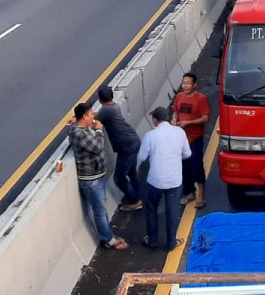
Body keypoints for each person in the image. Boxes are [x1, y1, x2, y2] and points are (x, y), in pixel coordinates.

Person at [68, 103, 127, 250]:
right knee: (99, 211)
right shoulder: (79, 134)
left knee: (102, 208)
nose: (93, 116)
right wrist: (99, 131)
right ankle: (108, 240)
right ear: (84, 117)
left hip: (97, 176)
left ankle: (108, 235)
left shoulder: (83, 127)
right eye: (90, 114)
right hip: (91, 180)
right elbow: (97, 147)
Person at [136, 105, 190, 250]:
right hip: (174, 181)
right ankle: (171, 243)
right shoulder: (180, 132)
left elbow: (141, 157)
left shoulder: (150, 135)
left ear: (155, 120)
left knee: (151, 209)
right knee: (172, 211)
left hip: (155, 180)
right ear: (167, 118)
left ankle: (152, 240)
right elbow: (187, 154)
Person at [96, 84, 142, 211]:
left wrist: (78, 120)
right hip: (132, 142)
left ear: (100, 99)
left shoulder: (105, 110)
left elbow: (94, 121)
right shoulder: (113, 106)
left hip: (126, 148)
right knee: (132, 173)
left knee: (119, 178)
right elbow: (98, 115)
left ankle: (134, 201)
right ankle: (136, 195)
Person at [172, 72, 211, 208]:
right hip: (181, 139)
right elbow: (176, 111)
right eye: (184, 83)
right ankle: (190, 192)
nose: (185, 86)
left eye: (188, 83)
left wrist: (188, 123)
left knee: (196, 166)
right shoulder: (179, 96)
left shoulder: (201, 99)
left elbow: (205, 118)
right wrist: (174, 119)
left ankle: (201, 195)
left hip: (195, 139)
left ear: (195, 84)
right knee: (184, 167)